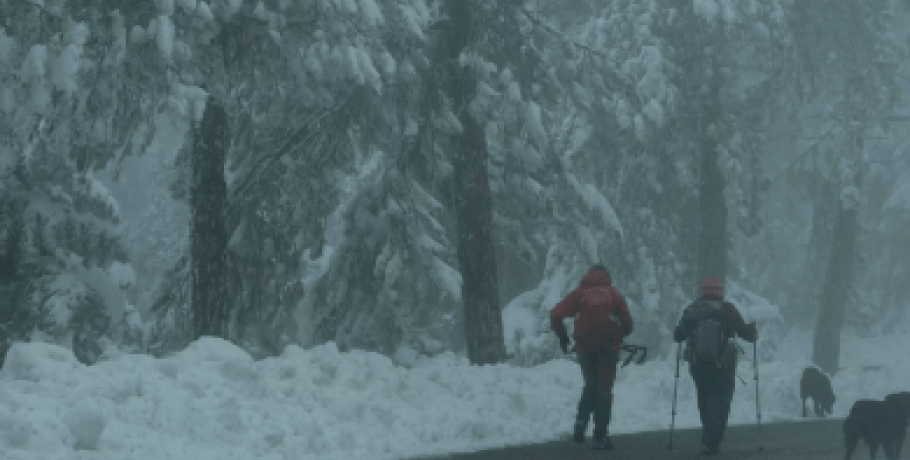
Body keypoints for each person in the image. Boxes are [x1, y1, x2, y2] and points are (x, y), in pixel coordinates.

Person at [551, 264, 633, 451]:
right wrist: (619, 334)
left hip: (585, 348)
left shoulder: (579, 294)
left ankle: (580, 423)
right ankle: (600, 436)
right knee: (603, 390)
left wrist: (563, 336)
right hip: (608, 348)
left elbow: (556, 314)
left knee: (590, 385)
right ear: (607, 276)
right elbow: (628, 323)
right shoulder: (614, 294)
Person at [673, 277, 758, 456]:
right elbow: (747, 334)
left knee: (704, 400)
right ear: (720, 291)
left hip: (699, 365)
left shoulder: (693, 309)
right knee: (720, 403)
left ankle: (708, 435)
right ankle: (712, 442)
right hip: (723, 366)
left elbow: (678, 335)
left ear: (703, 290)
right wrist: (752, 330)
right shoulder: (727, 309)